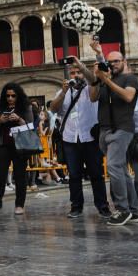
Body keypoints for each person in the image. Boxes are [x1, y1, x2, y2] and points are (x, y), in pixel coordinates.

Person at [87, 46, 138, 226]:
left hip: (122, 129)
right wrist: (96, 79)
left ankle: (122, 209)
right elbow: (93, 98)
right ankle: (134, 212)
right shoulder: (103, 81)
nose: (113, 64)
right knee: (122, 171)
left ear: (124, 62)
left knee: (113, 167)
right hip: (105, 130)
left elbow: (127, 96)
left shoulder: (130, 78)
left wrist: (107, 81)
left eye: (116, 61)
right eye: (110, 62)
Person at [50, 64, 109, 218]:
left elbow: (95, 92)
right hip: (70, 138)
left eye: (79, 72)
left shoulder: (91, 88)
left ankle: (103, 206)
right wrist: (63, 92)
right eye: (73, 73)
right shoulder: (63, 91)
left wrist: (88, 76)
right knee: (74, 175)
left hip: (89, 138)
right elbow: (53, 109)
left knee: (96, 174)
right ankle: (76, 206)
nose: (76, 75)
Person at [0, 82, 34, 215]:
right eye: (8, 96)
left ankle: (19, 205)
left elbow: (30, 126)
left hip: (20, 145)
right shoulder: (0, 107)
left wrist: (19, 119)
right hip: (3, 144)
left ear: (18, 96)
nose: (10, 98)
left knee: (20, 175)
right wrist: (0, 121)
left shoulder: (25, 107)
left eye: (13, 96)